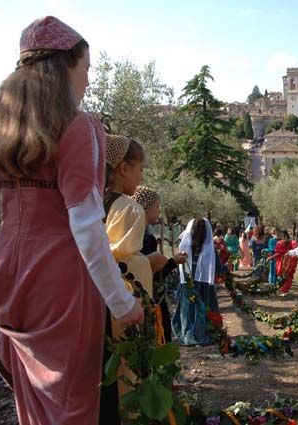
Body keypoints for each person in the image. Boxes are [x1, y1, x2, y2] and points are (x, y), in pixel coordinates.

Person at [0, 16, 142, 425]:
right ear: (64, 67)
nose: (88, 81)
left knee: (33, 405)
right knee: (72, 405)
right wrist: (122, 302)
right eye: (86, 68)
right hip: (64, 285)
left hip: (11, 281)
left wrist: (2, 249)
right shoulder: (77, 126)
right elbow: (86, 227)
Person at [102, 134, 162, 422]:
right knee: (128, 372)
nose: (141, 177)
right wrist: (148, 263)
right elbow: (121, 259)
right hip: (122, 306)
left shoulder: (90, 204)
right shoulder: (129, 208)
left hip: (91, 303)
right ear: (124, 168)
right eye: (140, 169)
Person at [131, 185, 187, 341]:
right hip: (151, 301)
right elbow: (152, 276)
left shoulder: (131, 237)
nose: (159, 211)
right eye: (156, 207)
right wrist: (173, 261)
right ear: (145, 209)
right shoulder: (147, 240)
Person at [172, 218, 219, 346]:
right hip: (204, 285)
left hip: (187, 284)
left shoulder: (184, 245)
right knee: (203, 307)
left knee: (188, 309)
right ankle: (202, 333)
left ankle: (188, 333)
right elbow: (217, 267)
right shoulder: (210, 247)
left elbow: (178, 265)